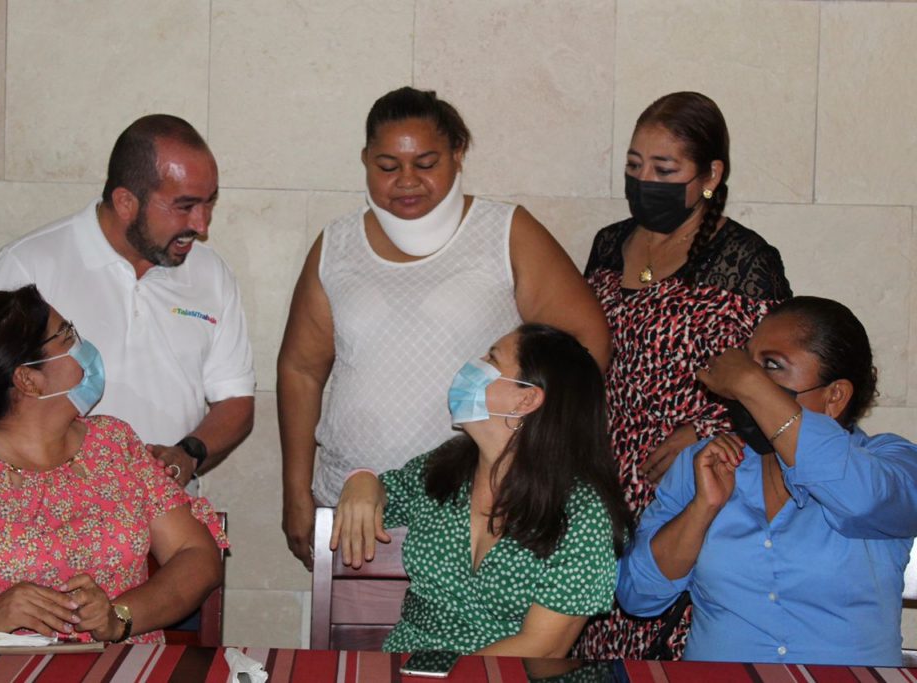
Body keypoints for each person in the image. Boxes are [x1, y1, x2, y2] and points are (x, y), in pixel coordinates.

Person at [279, 87, 611, 568]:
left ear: (458, 154)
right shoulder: (336, 245)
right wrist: (296, 492)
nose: (406, 181)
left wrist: (528, 452)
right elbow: (301, 370)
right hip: (353, 508)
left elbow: (586, 345)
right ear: (365, 160)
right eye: (387, 166)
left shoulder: (505, 232)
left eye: (426, 163)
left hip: (476, 507)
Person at [575, 91, 792, 659]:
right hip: (601, 483)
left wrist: (702, 431)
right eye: (634, 166)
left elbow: (777, 381)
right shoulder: (609, 244)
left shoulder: (744, 260)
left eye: (664, 169)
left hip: (690, 482)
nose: (644, 181)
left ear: (711, 175)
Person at [0, 286, 227, 643]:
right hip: (1, 667)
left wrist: (119, 617)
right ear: (28, 380)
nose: (82, 346)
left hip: (123, 664)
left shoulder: (114, 444)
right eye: (66, 336)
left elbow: (196, 555)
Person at [617, 296, 917, 665]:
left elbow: (862, 500)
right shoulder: (708, 461)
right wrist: (701, 509)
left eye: (771, 367)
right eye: (748, 364)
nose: (743, 387)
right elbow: (638, 596)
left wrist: (749, 382)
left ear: (835, 396)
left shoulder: (891, 463)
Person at [0, 114, 254, 488]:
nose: (201, 226)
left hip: (170, 513)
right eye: (185, 206)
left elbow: (235, 399)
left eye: (209, 203)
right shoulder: (29, 266)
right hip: (48, 512)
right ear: (125, 202)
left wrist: (188, 454)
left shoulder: (211, 273)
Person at [332, 324, 631, 656]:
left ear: (526, 399)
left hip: (506, 674)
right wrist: (361, 479)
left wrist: (445, 676)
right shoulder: (444, 468)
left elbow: (544, 648)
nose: (474, 365)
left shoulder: (582, 514)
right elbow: (384, 493)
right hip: (406, 663)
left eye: (492, 358)